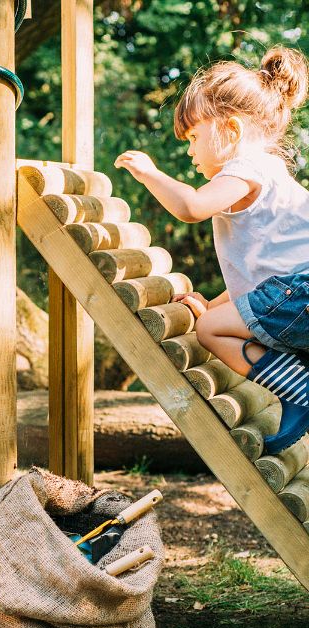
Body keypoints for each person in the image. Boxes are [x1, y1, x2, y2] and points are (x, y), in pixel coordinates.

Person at [115, 46, 309, 454]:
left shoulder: (245, 168)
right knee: (217, 320)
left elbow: (191, 208)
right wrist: (220, 304)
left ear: (231, 130)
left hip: (301, 293)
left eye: (194, 137)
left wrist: (150, 173)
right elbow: (266, 275)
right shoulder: (269, 171)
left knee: (209, 330)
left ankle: (301, 394)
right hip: (297, 293)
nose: (189, 152)